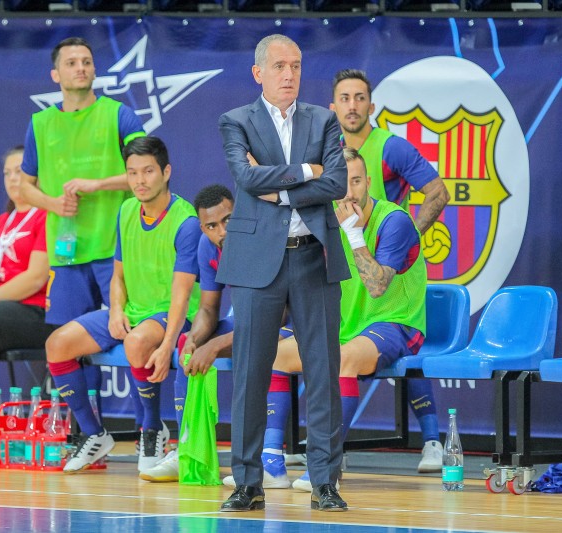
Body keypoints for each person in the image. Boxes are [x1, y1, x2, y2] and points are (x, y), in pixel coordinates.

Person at [217, 34, 349, 513]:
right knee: (251, 373)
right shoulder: (236, 121)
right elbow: (247, 179)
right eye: (279, 66)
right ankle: (247, 482)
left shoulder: (324, 118)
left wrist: (285, 188)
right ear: (258, 73)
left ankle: (325, 482)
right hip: (257, 261)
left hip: (314, 256)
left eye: (295, 65)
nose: (289, 74)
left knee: (322, 374)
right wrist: (305, 170)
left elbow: (336, 183)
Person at [248, 147, 426, 493]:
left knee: (342, 359)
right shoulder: (325, 217)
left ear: (369, 182)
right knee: (274, 353)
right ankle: (271, 461)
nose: (350, 192)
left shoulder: (394, 221)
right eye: (342, 183)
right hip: (343, 323)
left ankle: (325, 462)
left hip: (395, 321)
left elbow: (376, 286)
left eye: (357, 181)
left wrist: (353, 233)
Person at [45, 136, 201, 475]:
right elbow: (118, 276)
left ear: (166, 172)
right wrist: (115, 310)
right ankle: (94, 434)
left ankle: (152, 428)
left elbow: (182, 295)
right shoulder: (127, 210)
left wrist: (169, 343)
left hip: (176, 315)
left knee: (136, 341)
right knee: (57, 344)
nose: (140, 181)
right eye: (132, 173)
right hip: (131, 312)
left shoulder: (186, 221)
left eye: (148, 171)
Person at [15, 36, 145, 417]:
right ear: (56, 74)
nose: (81, 68)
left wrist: (97, 184)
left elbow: (145, 172)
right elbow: (26, 185)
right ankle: (84, 434)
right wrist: (53, 203)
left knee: (133, 337)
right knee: (67, 344)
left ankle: (147, 431)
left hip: (115, 251)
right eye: (71, 63)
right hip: (66, 253)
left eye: (87, 61)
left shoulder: (118, 114)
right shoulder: (41, 122)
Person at [331, 69, 450, 472]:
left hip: (386, 263)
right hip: (349, 266)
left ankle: (432, 440)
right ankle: (297, 448)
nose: (352, 105)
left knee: (396, 333)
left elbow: (438, 191)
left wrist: (408, 238)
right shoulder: (326, 152)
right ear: (334, 107)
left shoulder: (390, 148)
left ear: (371, 105)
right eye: (344, 98)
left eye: (359, 97)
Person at [139, 184, 294, 482]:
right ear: (203, 228)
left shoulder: (262, 240)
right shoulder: (207, 246)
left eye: (228, 220)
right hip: (249, 323)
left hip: (291, 326)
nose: (222, 231)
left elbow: (275, 317)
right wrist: (196, 339)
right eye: (212, 225)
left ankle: (272, 460)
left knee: (271, 347)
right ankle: (188, 449)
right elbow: (209, 309)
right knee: (186, 345)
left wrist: (216, 345)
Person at [0, 147, 55, 359]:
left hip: (34, 310)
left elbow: (35, 279)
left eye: (19, 171)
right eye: (7, 173)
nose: (12, 179)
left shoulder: (47, 217)